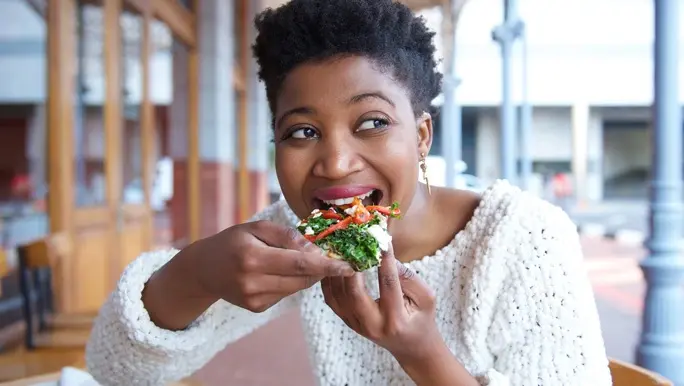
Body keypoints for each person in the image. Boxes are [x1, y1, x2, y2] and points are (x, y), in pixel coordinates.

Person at [85, 1, 612, 385]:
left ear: (422, 135)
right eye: (302, 131)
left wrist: (422, 354)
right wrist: (196, 272)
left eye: (372, 122)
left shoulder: (525, 239)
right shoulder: (297, 242)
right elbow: (115, 369)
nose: (335, 162)